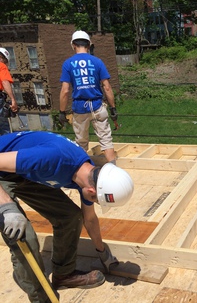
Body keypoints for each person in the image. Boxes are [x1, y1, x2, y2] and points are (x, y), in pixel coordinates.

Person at [0, 131, 134, 302]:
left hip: (25, 173)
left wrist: (102, 252)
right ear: (92, 192)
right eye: (98, 201)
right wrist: (7, 206)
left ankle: (63, 275)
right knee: (23, 234)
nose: (95, 203)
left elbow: (89, 218)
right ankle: (41, 298)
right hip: (3, 173)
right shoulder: (51, 157)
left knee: (71, 216)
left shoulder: (88, 173)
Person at [59, 30, 118, 163]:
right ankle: (114, 172)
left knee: (81, 143)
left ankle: (84, 174)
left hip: (80, 107)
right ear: (89, 44)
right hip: (97, 106)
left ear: (73, 45)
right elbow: (107, 87)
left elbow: (65, 90)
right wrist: (113, 108)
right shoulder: (97, 62)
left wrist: (62, 112)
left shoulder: (68, 64)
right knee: (106, 141)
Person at [0, 47, 18, 135]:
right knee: (3, 126)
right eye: (6, 62)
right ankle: (7, 147)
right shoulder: (1, 66)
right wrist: (13, 99)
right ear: (2, 58)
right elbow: (4, 81)